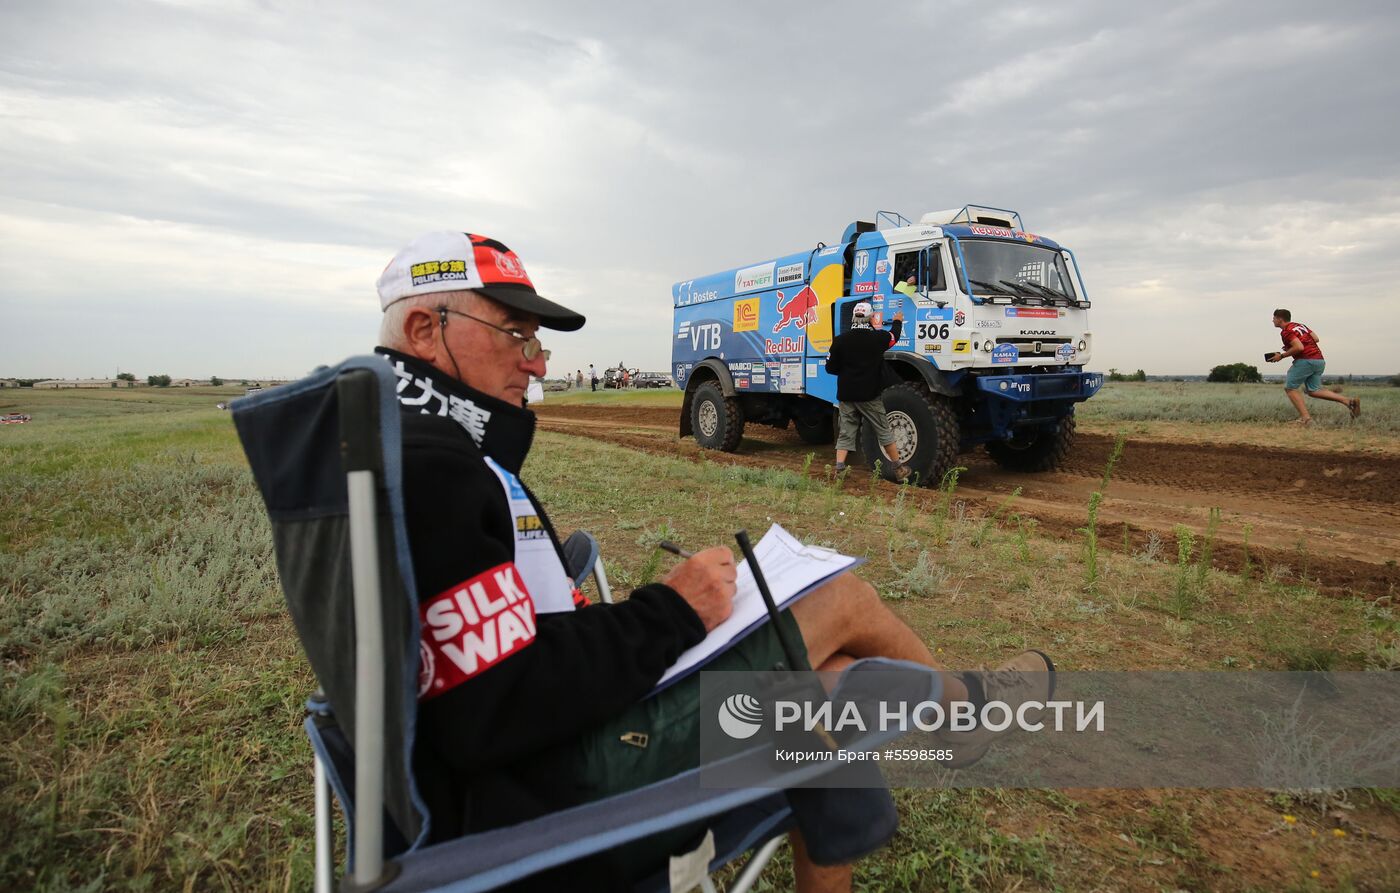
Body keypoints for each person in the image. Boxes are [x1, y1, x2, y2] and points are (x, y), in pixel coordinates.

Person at [374, 230, 1053, 891]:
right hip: (555, 785)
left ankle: (956, 718)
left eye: (535, 340)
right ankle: (968, 717)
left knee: (836, 682)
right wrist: (670, 610)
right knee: (841, 601)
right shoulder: (432, 465)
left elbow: (494, 659)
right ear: (425, 331)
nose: (538, 361)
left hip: (551, 740)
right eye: (514, 334)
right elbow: (494, 709)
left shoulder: (399, 447)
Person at [826, 302, 911, 482]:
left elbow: (830, 368)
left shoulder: (840, 340)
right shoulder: (878, 339)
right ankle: (898, 467)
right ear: (871, 318)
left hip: (847, 395)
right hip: (869, 395)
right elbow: (893, 337)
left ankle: (839, 468)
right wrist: (897, 321)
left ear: (853, 318)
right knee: (883, 430)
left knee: (846, 431)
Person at [1266, 309, 1359, 426]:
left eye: (1274, 318)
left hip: (1305, 361)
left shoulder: (1286, 331)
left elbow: (1299, 347)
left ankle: (1306, 419)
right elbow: (1315, 339)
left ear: (1280, 319)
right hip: (1319, 360)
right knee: (1314, 391)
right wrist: (1291, 346)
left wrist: (1282, 356)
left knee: (1290, 388)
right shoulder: (1300, 326)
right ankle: (1349, 402)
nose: (1272, 320)